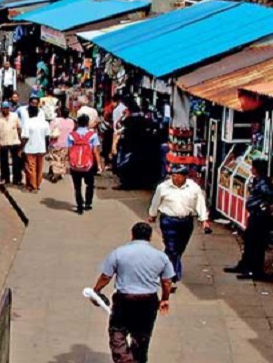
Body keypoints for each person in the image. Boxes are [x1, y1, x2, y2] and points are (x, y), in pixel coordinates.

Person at [92, 222, 175, 363]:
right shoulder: (161, 256)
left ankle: (124, 360)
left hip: (124, 300)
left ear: (132, 235)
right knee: (142, 336)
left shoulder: (118, 253)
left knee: (117, 332)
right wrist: (165, 299)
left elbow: (106, 276)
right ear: (149, 237)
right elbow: (167, 281)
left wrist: (96, 291)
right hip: (148, 301)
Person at [147, 164, 210, 288]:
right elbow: (155, 202)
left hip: (186, 221)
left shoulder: (193, 188)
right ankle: (172, 276)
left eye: (178, 176)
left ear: (185, 176)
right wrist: (152, 214)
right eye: (173, 175)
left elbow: (200, 204)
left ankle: (164, 267)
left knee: (179, 249)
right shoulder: (163, 187)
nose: (174, 178)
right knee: (171, 248)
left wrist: (204, 220)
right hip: (168, 221)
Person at [225, 158, 273, 281]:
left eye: (253, 167)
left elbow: (270, 195)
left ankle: (255, 270)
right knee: (249, 241)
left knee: (256, 243)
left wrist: (264, 206)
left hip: (260, 217)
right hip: (255, 215)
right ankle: (245, 265)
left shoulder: (264, 183)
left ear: (256, 169)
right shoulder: (258, 181)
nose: (251, 169)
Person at [68, 115, 104, 214]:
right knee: (90, 185)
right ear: (87, 123)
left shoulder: (72, 135)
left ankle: (79, 206)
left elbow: (70, 150)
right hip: (89, 164)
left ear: (77, 123)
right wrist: (99, 165)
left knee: (77, 186)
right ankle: (88, 204)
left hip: (75, 166)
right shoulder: (92, 135)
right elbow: (95, 151)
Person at [0, 101, 22, 186]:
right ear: (1, 108)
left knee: (17, 162)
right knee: (3, 162)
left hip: (14, 141)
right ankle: (5, 178)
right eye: (4, 108)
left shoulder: (14, 116)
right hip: (3, 142)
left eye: (7, 108)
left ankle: (17, 179)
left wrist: (21, 141)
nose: (5, 110)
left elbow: (19, 128)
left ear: (9, 108)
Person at [21, 105, 49, 193]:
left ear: (29, 113)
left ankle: (33, 186)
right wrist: (46, 148)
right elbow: (47, 137)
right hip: (41, 148)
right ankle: (37, 184)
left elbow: (25, 137)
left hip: (30, 148)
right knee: (39, 168)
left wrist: (21, 148)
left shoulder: (28, 123)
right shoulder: (45, 123)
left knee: (30, 168)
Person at [47, 107, 75, 183]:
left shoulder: (56, 121)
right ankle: (60, 172)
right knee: (63, 160)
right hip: (67, 144)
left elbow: (49, 131)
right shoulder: (71, 121)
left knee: (55, 159)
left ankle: (56, 173)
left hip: (56, 143)